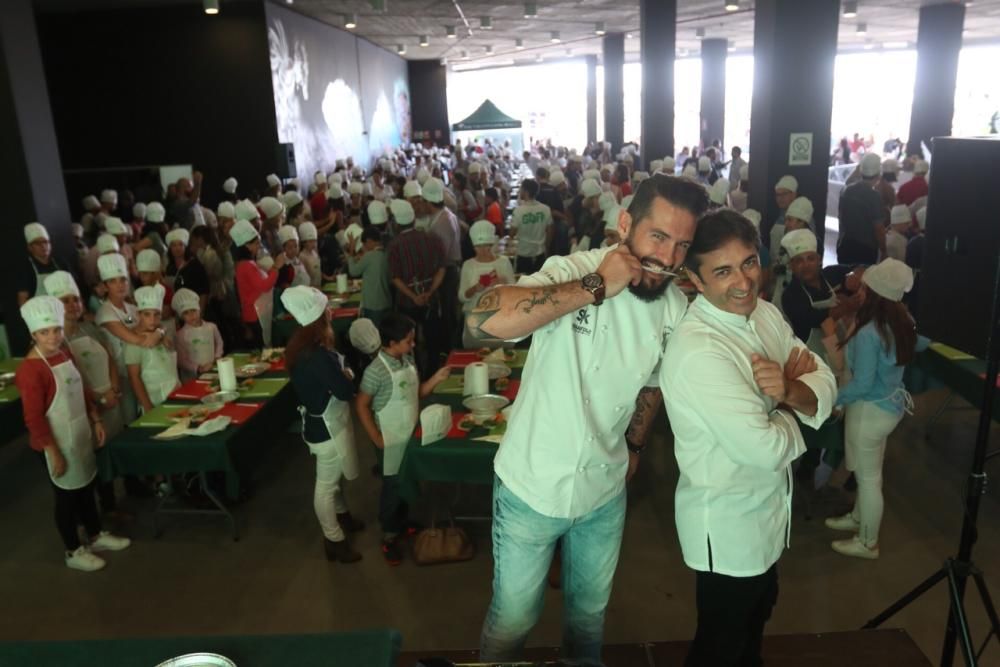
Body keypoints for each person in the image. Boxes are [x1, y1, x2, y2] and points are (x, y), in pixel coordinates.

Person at [471, 174, 710, 664]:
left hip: (604, 490)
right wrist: (595, 285)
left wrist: (637, 447)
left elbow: (653, 383)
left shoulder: (674, 306)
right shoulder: (571, 269)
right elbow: (483, 320)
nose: (667, 259)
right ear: (625, 225)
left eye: (681, 245)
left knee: (587, 616)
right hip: (530, 486)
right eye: (658, 237)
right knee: (515, 616)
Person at [660, 210, 836, 667]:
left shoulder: (765, 313)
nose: (742, 282)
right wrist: (785, 403)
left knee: (755, 627)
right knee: (721, 646)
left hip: (768, 515)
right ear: (695, 281)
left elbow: (823, 377)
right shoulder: (700, 350)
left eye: (748, 263)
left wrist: (791, 390)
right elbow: (764, 448)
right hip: (728, 525)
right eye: (722, 271)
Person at [15, 296, 131, 572]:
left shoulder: (64, 353)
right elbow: (33, 418)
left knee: (86, 487)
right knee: (66, 497)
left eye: (56, 330)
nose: (53, 337)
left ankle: (95, 535)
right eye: (45, 332)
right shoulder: (30, 370)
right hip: (53, 442)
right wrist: (52, 451)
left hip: (79, 432)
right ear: (33, 334)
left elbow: (82, 391)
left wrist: (95, 419)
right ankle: (73, 550)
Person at [826, 259, 929, 559]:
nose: (858, 288)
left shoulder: (871, 332)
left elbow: (863, 385)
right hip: (890, 406)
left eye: (864, 285)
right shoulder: (902, 320)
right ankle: (859, 518)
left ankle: (867, 542)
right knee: (871, 474)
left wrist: (829, 398)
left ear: (873, 292)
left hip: (870, 410)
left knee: (868, 480)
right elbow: (924, 342)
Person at [355, 314, 450, 565]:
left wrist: (436, 379)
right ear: (392, 342)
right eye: (409, 341)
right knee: (392, 487)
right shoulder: (376, 371)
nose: (414, 345)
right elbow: (362, 405)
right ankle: (389, 536)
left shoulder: (406, 360)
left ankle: (403, 521)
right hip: (389, 437)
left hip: (408, 433)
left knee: (406, 479)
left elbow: (415, 393)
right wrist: (375, 437)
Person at [281, 285, 365, 563]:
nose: (331, 311)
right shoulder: (317, 355)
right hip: (325, 429)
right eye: (326, 308)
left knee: (335, 478)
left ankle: (342, 517)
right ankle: (334, 540)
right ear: (318, 318)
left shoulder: (303, 347)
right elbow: (344, 390)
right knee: (326, 486)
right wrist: (348, 374)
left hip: (326, 421)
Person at [95, 253, 164, 424]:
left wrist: (159, 332)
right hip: (120, 376)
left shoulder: (133, 308)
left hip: (142, 370)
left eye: (123, 279)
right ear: (105, 286)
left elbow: (155, 325)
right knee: (131, 419)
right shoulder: (105, 312)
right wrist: (157, 334)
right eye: (113, 281)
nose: (120, 285)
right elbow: (138, 340)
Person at [458, 221, 515, 348]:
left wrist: (502, 282)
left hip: (500, 316)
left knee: (502, 355)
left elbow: (515, 294)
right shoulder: (468, 265)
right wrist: (475, 288)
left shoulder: (503, 263)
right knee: (477, 355)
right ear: (473, 247)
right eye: (478, 247)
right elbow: (462, 296)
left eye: (486, 246)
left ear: (492, 244)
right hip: (475, 318)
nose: (483, 251)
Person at [232, 219, 285, 349]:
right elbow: (264, 286)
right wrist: (276, 267)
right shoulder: (246, 266)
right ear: (247, 246)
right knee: (261, 350)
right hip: (254, 313)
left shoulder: (247, 264)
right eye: (256, 244)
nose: (258, 247)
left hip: (257, 312)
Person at [126, 285, 180, 413]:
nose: (152, 320)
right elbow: (134, 378)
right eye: (147, 315)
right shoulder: (133, 343)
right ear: (139, 314)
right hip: (156, 402)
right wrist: (147, 406)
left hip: (176, 395)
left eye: (156, 315)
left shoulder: (160, 334)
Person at [838, 153, 886, 265]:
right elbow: (879, 228)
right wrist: (884, 250)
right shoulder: (874, 196)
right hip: (865, 250)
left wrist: (858, 170)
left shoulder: (847, 190)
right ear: (878, 174)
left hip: (845, 245)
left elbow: (848, 182)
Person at [172, 288, 223, 382]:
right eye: (186, 313)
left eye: (193, 310)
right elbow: (181, 360)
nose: (191, 315)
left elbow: (219, 342)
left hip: (212, 368)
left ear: (199, 310)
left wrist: (217, 357)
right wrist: (198, 368)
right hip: (192, 376)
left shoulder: (211, 327)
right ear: (182, 316)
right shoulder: (180, 335)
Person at [348, 226, 392, 325]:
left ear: (369, 241)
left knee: (373, 334)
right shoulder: (387, 254)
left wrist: (351, 250)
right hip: (386, 302)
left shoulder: (369, 256)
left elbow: (353, 271)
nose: (364, 246)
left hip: (372, 304)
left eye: (364, 244)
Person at [18, 223, 67, 307]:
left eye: (46, 242)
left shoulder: (60, 263)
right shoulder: (26, 268)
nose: (43, 246)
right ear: (30, 247)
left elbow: (74, 290)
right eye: (37, 243)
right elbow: (22, 299)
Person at [509, 179, 553, 274]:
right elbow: (550, 231)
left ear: (526, 191)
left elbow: (512, 234)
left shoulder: (518, 211)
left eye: (521, 189)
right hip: (540, 253)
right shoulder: (545, 209)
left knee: (524, 285)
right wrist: (547, 248)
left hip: (523, 254)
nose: (519, 191)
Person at [768, 175, 798, 260]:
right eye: (778, 195)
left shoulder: (802, 217)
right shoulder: (778, 214)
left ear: (794, 195)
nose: (780, 198)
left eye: (784, 194)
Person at [298, 222, 323, 287]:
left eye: (315, 241)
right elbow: (305, 279)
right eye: (310, 241)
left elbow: (318, 271)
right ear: (304, 243)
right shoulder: (302, 256)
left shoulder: (315, 253)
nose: (313, 244)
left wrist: (328, 277)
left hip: (318, 287)